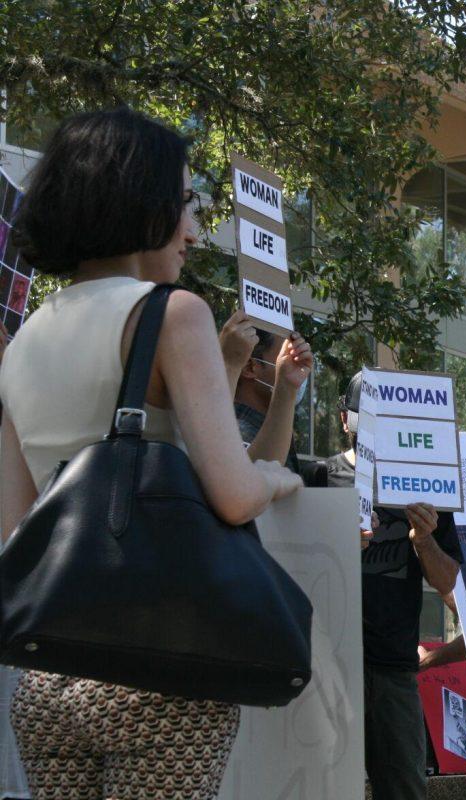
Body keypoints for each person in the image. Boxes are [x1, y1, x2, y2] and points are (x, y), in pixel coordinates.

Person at [0, 107, 300, 799]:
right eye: (187, 202)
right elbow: (232, 493)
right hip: (158, 670)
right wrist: (276, 477)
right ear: (143, 200)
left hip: (48, 678)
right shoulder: (171, 311)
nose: (193, 228)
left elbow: (15, 530)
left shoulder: (22, 344)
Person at [326, 372, 463, 800]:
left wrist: (423, 540)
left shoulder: (423, 490)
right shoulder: (319, 476)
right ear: (345, 418)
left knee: (405, 789)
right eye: (364, 414)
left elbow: (448, 583)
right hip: (328, 668)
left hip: (393, 671)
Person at [229, 326, 312, 470]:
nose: (296, 364)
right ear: (250, 367)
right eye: (286, 356)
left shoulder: (274, 431)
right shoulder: (236, 435)